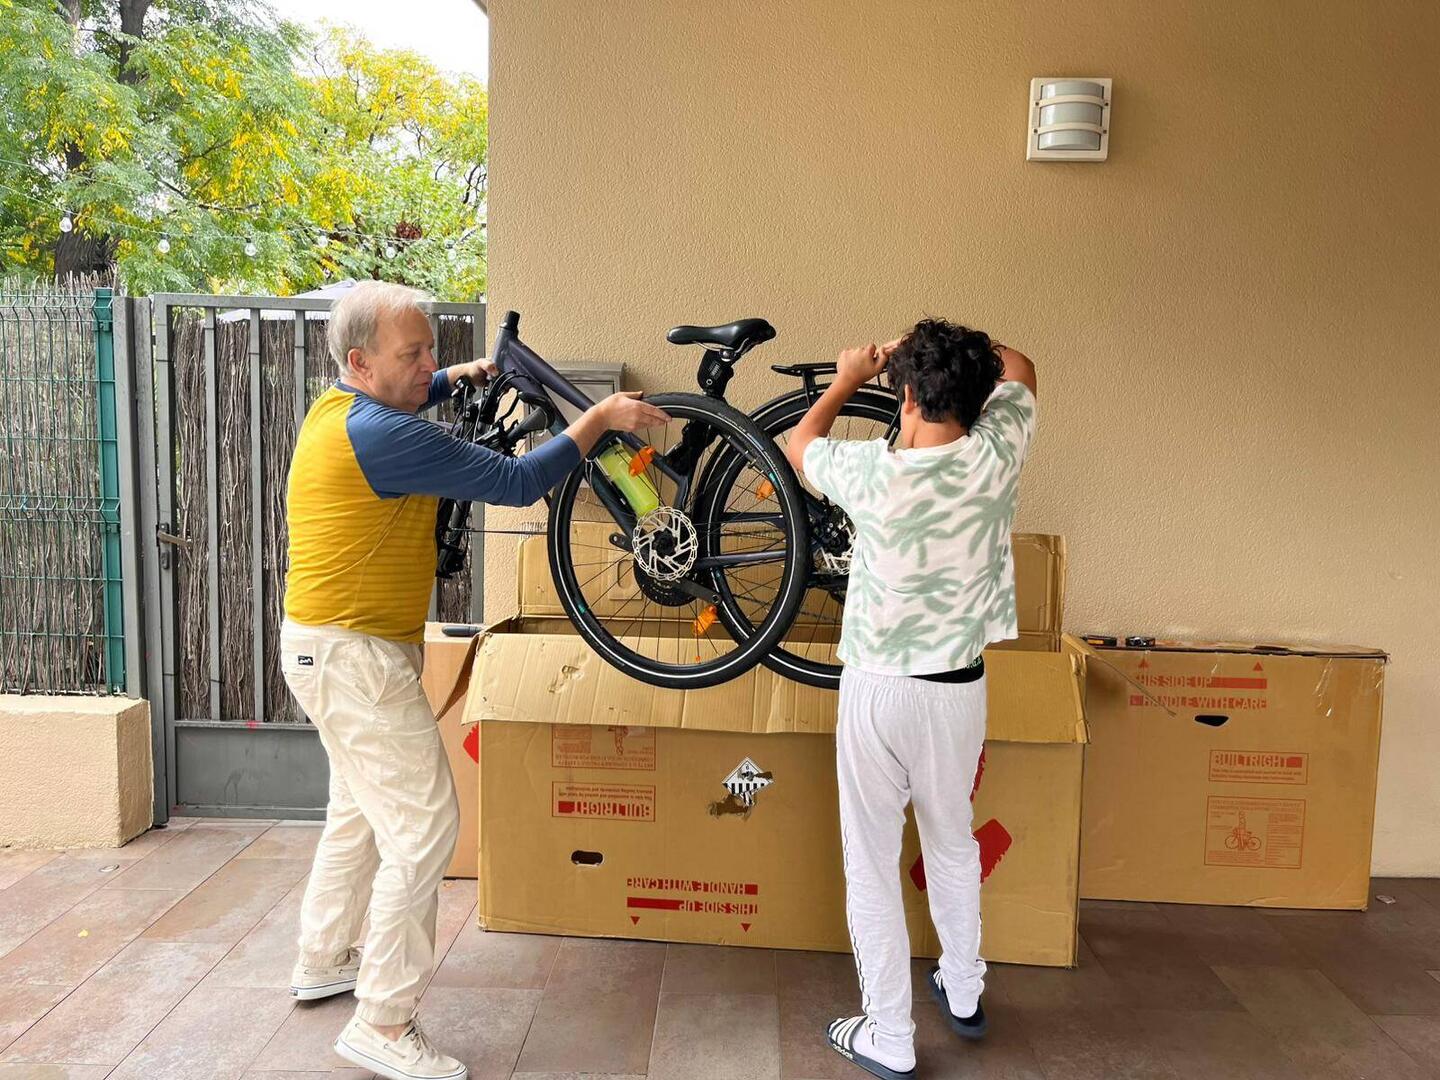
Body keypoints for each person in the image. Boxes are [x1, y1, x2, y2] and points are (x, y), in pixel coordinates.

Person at [280, 281, 668, 1080]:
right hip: (354, 658)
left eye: (431, 348)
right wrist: (597, 420)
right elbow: (517, 482)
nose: (428, 362)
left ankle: (323, 955)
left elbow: (408, 399)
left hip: (329, 648)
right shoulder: (382, 435)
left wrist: (451, 377)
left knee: (358, 810)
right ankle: (383, 1021)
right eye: (412, 353)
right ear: (360, 361)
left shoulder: (338, 409)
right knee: (423, 829)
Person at [786, 318, 1038, 1080]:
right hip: (957, 690)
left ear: (905, 399)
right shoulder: (997, 454)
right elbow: (1022, 363)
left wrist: (847, 378)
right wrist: (938, 352)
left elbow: (800, 445)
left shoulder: (874, 472)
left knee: (871, 862)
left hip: (878, 690)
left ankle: (889, 1033)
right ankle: (963, 989)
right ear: (978, 396)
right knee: (951, 839)